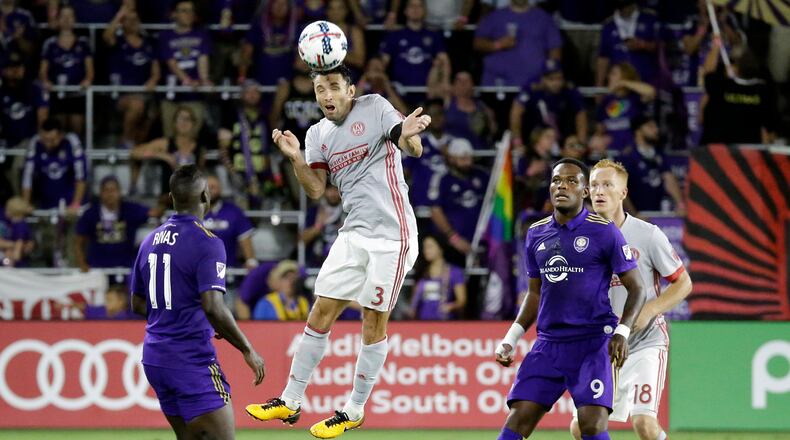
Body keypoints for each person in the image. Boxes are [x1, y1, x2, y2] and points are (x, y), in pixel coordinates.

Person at [245, 64, 427, 438]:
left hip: (392, 236)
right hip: (353, 233)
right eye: (319, 89)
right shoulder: (317, 134)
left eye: (333, 86)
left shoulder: (375, 107)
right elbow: (315, 189)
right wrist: (296, 158)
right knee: (320, 311)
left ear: (350, 90)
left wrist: (409, 137)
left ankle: (354, 410)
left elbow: (412, 146)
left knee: (373, 320)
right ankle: (290, 400)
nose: (327, 95)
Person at [494, 158, 646, 440]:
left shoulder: (604, 231)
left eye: (571, 181)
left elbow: (637, 288)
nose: (562, 186)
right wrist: (511, 338)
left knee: (591, 425)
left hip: (593, 342)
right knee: (517, 420)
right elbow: (535, 293)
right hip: (549, 344)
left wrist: (622, 333)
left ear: (585, 191)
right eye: (556, 180)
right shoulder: (536, 233)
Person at [130, 164, 265, 440]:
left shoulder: (150, 240)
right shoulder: (208, 242)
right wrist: (247, 349)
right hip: (190, 359)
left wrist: (178, 315)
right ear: (206, 196)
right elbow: (213, 307)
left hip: (155, 358)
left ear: (171, 198)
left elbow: (138, 303)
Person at [569, 159, 692, 440]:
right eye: (594, 185)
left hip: (644, 343)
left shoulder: (647, 235)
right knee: (581, 427)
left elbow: (683, 283)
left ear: (623, 193)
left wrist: (649, 310)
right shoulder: (579, 239)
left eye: (607, 185)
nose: (599, 191)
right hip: (602, 346)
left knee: (644, 425)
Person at [218, 79, 285, 209]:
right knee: (240, 208)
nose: (252, 95)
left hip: (263, 175)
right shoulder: (231, 116)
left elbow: (273, 145)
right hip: (237, 173)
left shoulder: (265, 118)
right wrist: (233, 173)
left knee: (265, 209)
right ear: (242, 95)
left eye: (255, 92)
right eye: (248, 92)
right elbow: (223, 148)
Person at [103, 5, 160, 147]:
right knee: (137, 105)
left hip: (144, 93)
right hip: (121, 95)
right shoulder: (118, 41)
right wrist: (119, 14)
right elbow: (106, 36)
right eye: (128, 20)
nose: (133, 22)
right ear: (122, 23)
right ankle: (126, 141)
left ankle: (137, 147)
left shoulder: (148, 43)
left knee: (152, 114)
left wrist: (153, 80)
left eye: (135, 19)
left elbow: (156, 71)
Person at [473, 0, 562, 87]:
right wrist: (498, 44)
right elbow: (477, 43)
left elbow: (555, 49)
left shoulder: (544, 18)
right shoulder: (495, 16)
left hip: (534, 86)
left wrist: (551, 75)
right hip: (498, 84)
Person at [429, 137, 489, 264]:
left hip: (481, 241)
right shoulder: (442, 179)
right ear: (451, 158)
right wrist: (454, 238)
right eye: (463, 158)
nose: (468, 162)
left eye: (470, 158)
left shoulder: (482, 176)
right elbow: (435, 211)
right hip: (452, 245)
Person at [75, 175, 151, 273]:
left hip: (126, 268)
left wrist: (164, 202)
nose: (110, 194)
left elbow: (154, 213)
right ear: (100, 193)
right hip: (97, 268)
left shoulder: (131, 209)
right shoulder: (90, 214)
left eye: (113, 190)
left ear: (120, 192)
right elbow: (78, 242)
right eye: (106, 190)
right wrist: (82, 264)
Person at [157, 0, 211, 138]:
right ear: (174, 14)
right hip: (172, 94)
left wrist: (204, 80)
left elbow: (203, 59)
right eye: (184, 10)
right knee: (170, 136)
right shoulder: (165, 36)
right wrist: (187, 80)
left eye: (191, 11)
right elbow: (171, 62)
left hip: (194, 95)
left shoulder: (201, 34)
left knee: (192, 136)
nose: (189, 14)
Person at [39, 4, 94, 137]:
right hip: (57, 92)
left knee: (77, 127)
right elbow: (43, 70)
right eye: (63, 16)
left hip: (77, 93)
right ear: (58, 20)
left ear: (74, 19)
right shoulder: (50, 43)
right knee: (59, 127)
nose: (67, 20)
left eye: (70, 16)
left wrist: (87, 80)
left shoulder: (83, 43)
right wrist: (45, 81)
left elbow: (90, 69)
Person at [510, 59, 587, 146]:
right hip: (534, 139)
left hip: (563, 138)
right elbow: (516, 112)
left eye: (559, 78)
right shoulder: (532, 88)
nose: (556, 83)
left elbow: (581, 113)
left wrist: (581, 142)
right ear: (543, 79)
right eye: (551, 79)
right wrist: (517, 141)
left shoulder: (569, 89)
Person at [378, 0, 449, 92]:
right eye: (412, 6)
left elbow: (444, 61)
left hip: (428, 92)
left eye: (419, 6)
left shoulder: (433, 36)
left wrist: (445, 81)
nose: (415, 9)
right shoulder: (395, 36)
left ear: (424, 11)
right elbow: (383, 62)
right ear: (405, 11)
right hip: (399, 91)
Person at [620, 116, 685, 215]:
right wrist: (634, 215)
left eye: (656, 127)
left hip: (657, 215)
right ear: (638, 131)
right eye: (651, 127)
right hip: (635, 215)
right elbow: (619, 189)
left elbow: (669, 180)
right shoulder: (627, 157)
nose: (656, 130)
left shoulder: (659, 155)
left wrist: (680, 205)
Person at [21, 118, 87, 211]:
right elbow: (27, 175)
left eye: (52, 140)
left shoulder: (71, 141)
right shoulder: (36, 142)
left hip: (69, 204)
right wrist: (25, 203)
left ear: (61, 135)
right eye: (45, 140)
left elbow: (81, 176)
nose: (48, 144)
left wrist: (75, 204)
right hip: (45, 203)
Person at [595, 62, 655, 155]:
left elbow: (650, 92)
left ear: (624, 76)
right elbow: (600, 129)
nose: (609, 77)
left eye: (614, 73)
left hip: (632, 151)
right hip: (611, 152)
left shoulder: (634, 98)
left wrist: (623, 83)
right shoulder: (606, 100)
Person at [597, 0, 659, 87]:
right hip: (619, 84)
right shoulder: (609, 26)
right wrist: (599, 85)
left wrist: (643, 45)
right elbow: (603, 57)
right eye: (621, 7)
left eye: (626, 6)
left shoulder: (649, 19)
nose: (624, 10)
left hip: (646, 81)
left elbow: (661, 46)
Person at [203, 174, 258, 270]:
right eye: (206, 187)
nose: (210, 190)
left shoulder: (234, 211)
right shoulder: (191, 212)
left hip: (228, 272)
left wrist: (251, 261)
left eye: (213, 187)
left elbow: (245, 238)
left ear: (220, 189)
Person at [409, 235, 466, 320]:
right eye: (424, 247)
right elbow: (413, 301)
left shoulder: (454, 272)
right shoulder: (421, 272)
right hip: (422, 321)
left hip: (445, 321)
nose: (426, 251)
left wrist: (450, 307)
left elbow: (461, 301)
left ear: (440, 248)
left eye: (430, 247)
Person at [443, 71, 497, 150]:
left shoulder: (483, 108)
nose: (463, 84)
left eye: (466, 81)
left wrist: (488, 122)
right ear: (453, 86)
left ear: (472, 85)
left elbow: (493, 131)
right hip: (455, 153)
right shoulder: (447, 103)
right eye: (459, 81)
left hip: (478, 152)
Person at [0, 196, 34, 267]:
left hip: (16, 265)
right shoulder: (11, 224)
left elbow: (19, 243)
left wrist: (14, 259)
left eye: (7, 209)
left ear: (13, 212)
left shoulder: (21, 226)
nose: (5, 211)